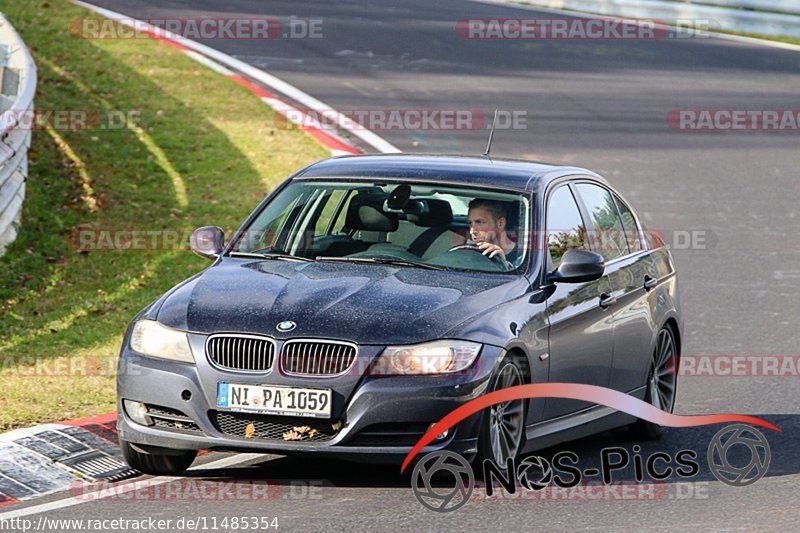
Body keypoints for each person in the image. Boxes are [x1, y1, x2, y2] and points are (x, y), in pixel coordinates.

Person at [467, 199, 518, 269]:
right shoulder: (469, 252)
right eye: (470, 223)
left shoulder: (523, 259)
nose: (472, 231)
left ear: (500, 223)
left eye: (479, 222)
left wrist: (504, 264)